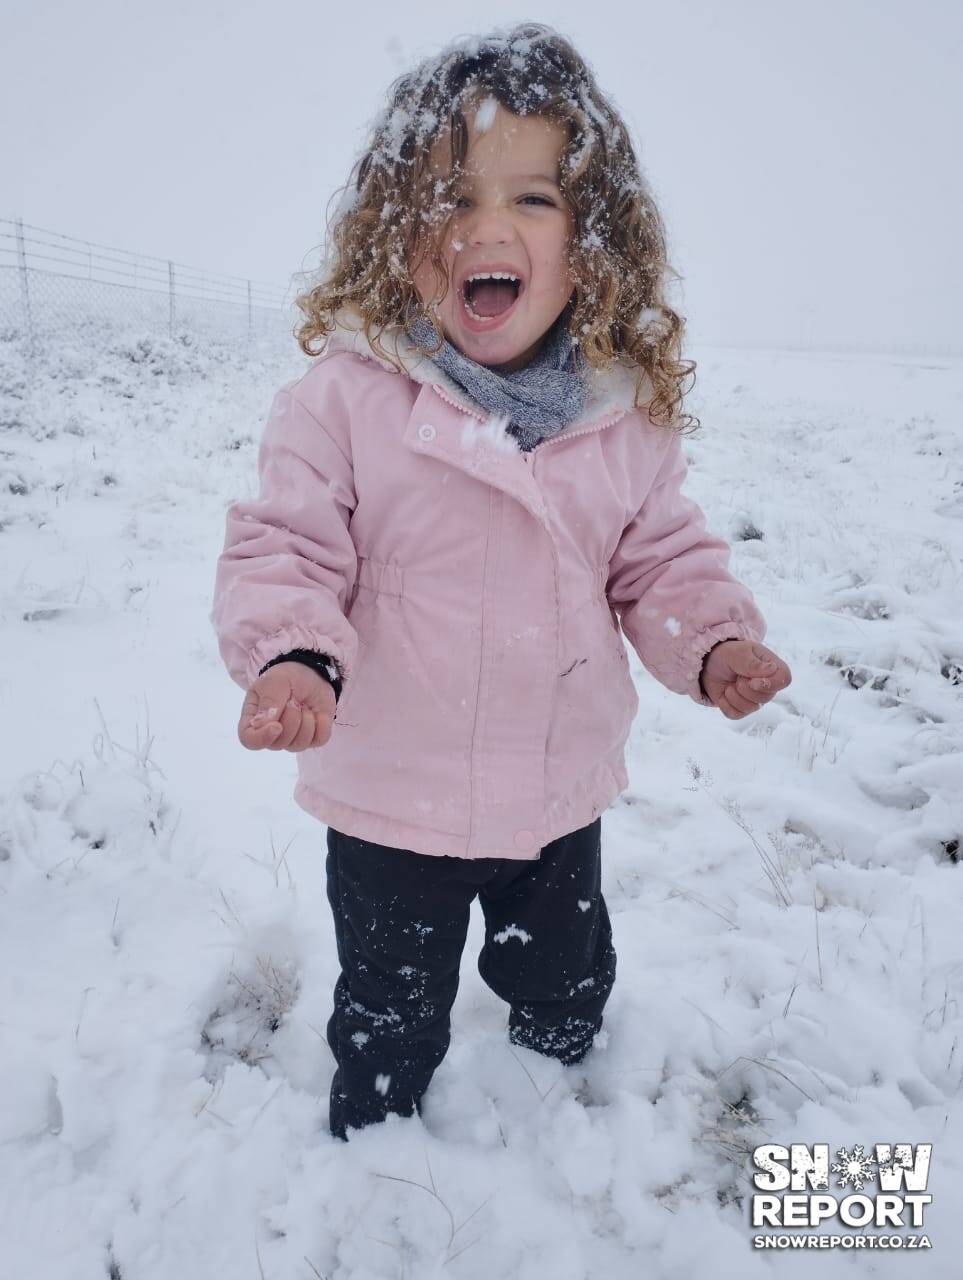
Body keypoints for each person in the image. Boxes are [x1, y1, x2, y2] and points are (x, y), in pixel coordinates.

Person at [210, 23, 792, 1142]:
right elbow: (287, 547)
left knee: (565, 968)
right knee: (390, 999)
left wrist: (711, 638)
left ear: (592, 238)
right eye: (449, 199)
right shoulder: (344, 400)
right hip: (391, 796)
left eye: (533, 199)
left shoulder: (621, 415)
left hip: (553, 788)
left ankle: (570, 1089)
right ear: (395, 234)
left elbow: (658, 556)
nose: (487, 226)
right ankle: (374, 1146)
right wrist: (293, 652)